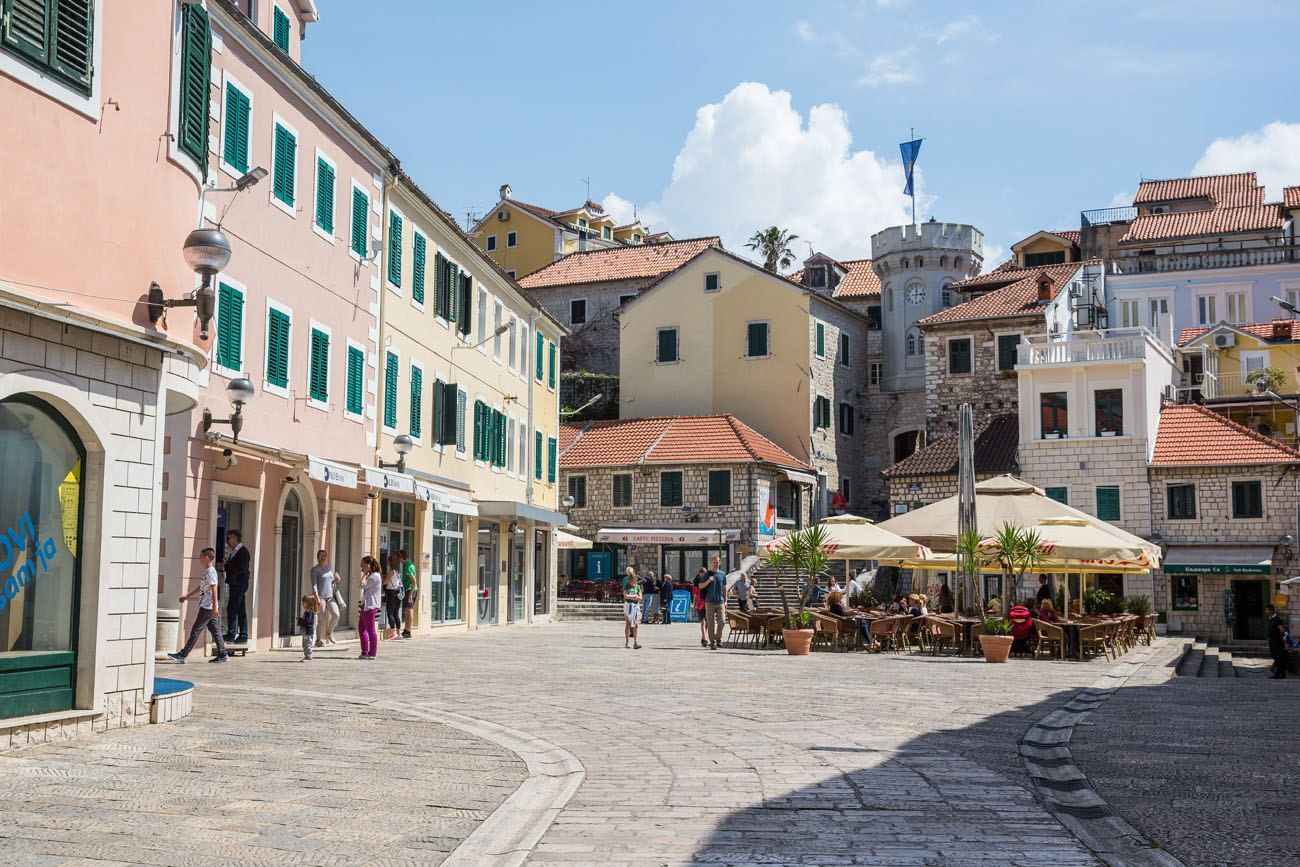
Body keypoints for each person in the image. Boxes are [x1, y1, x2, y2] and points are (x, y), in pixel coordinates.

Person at [168, 547, 229, 664]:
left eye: (200, 556)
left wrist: (215, 607)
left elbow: (214, 589)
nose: (199, 559)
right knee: (215, 630)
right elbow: (201, 587)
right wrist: (187, 596)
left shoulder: (211, 571)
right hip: (208, 606)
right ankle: (223, 653)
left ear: (206, 558)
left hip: (207, 607)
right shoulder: (207, 571)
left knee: (196, 630)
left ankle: (183, 654)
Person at [221, 529, 251, 644]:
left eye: (228, 538)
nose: (227, 541)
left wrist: (227, 566)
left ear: (234, 538)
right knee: (240, 609)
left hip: (239, 583)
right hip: (236, 583)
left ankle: (231, 634)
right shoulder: (235, 551)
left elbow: (240, 568)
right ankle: (243, 635)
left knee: (232, 607)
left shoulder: (242, 551)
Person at [310, 550, 339, 646]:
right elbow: (314, 585)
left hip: (330, 597)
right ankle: (318, 640)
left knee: (336, 615)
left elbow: (331, 582)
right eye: (322, 555)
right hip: (321, 597)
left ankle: (329, 633)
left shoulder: (329, 568)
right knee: (322, 619)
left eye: (325, 555)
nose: (324, 557)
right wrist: (317, 597)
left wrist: (336, 579)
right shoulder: (315, 570)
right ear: (317, 557)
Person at [357, 555, 382, 659]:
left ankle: (372, 653)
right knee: (362, 629)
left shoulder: (374, 576)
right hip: (365, 605)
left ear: (368, 565)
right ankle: (365, 651)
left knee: (371, 631)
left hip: (370, 606)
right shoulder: (371, 575)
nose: (361, 567)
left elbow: (362, 585)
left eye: (362, 565)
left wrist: (364, 574)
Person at [701, 556, 728, 649]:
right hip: (709, 602)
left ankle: (718, 638)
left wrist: (725, 600)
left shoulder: (723, 574)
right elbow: (700, 586)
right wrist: (708, 581)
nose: (715, 564)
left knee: (722, 621)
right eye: (714, 562)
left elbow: (724, 588)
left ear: (720, 562)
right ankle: (712, 642)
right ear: (712, 563)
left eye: (717, 562)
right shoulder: (708, 574)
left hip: (720, 602)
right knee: (711, 623)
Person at [383, 553, 404, 640]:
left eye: (388, 561)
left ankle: (393, 632)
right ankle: (399, 633)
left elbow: (384, 582)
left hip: (391, 593)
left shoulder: (392, 571)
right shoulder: (398, 572)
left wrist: (383, 577)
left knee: (390, 612)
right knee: (396, 613)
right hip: (398, 593)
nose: (387, 563)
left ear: (391, 562)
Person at [622, 567, 643, 649]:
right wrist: (634, 596)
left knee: (636, 624)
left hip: (635, 606)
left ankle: (635, 642)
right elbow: (625, 595)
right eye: (632, 581)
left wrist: (636, 597)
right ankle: (627, 642)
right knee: (628, 624)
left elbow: (640, 597)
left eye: (634, 581)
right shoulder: (627, 585)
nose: (633, 583)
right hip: (628, 606)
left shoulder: (637, 586)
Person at [1267, 604, 1288, 679]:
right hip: (1273, 642)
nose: (1266, 611)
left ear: (1271, 610)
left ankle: (1282, 674)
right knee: (1276, 657)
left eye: (1267, 610)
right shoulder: (1272, 619)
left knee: (1279, 658)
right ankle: (1277, 674)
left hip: (1278, 643)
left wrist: (1285, 642)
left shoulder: (1277, 619)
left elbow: (1282, 631)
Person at [400, 548, 418, 639]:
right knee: (407, 610)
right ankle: (406, 630)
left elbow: (414, 581)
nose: (399, 561)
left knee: (409, 609)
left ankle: (408, 631)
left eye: (399, 559)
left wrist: (410, 594)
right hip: (410, 590)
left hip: (410, 590)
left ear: (402, 557)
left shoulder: (408, 566)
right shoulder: (410, 564)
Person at [692, 567, 709, 647]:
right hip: (702, 604)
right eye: (703, 573)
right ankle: (704, 638)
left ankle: (703, 637)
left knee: (706, 622)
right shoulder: (699, 583)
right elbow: (695, 596)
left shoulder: (704, 582)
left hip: (704, 604)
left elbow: (695, 596)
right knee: (704, 622)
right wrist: (694, 606)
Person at [298, 595, 319, 661]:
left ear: (308, 603)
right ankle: (307, 655)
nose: (302, 604)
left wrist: (300, 621)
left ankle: (308, 656)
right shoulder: (308, 612)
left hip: (308, 631)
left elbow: (307, 622)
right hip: (307, 631)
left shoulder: (309, 612)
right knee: (305, 644)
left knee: (307, 644)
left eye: (303, 602)